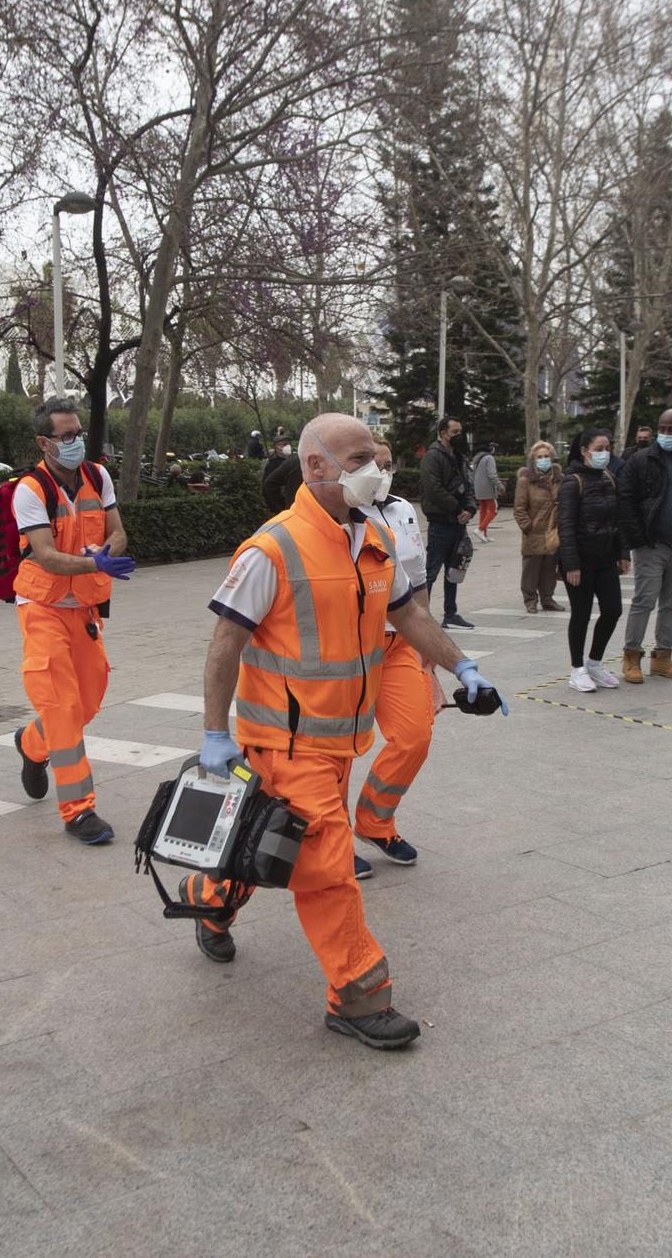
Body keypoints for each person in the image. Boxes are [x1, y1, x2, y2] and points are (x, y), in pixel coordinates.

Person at [189, 413, 502, 1050]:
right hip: (282, 742)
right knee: (327, 867)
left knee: (268, 842)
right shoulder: (271, 549)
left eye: (375, 459)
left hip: (338, 742)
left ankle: (209, 897)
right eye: (359, 459)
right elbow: (225, 646)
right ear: (316, 468)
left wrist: (461, 666)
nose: (376, 470)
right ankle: (357, 995)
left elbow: (408, 614)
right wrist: (213, 733)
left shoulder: (372, 539)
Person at [9, 397, 136, 847]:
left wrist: (108, 554)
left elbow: (117, 530)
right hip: (41, 607)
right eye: (66, 436)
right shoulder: (30, 489)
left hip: (82, 608)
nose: (76, 441)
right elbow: (44, 555)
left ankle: (31, 743)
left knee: (87, 702)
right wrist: (97, 566)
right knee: (62, 706)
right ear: (44, 442)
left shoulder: (97, 476)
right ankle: (79, 811)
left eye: (78, 433)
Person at [352, 438, 435, 877]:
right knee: (338, 749)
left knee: (415, 735)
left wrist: (431, 646)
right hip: (352, 647)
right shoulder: (340, 514)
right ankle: (328, 839)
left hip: (401, 640)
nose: (381, 474)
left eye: (387, 465)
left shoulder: (403, 510)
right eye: (371, 465)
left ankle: (375, 821)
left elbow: (417, 582)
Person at [616, 408, 672, 683]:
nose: (666, 434)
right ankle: (631, 656)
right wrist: (637, 540)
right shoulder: (642, 459)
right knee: (644, 601)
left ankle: (663, 657)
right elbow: (626, 501)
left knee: (671, 603)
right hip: (651, 544)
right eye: (663, 428)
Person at [558, 428, 629, 693]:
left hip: (606, 558)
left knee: (613, 610)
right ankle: (577, 669)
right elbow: (565, 525)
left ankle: (595, 663)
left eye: (608, 448)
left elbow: (618, 519)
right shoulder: (571, 481)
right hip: (580, 560)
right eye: (599, 449)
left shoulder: (610, 478)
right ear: (584, 451)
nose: (605, 453)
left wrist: (623, 553)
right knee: (581, 614)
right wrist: (571, 564)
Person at [418, 417, 476, 628]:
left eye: (461, 431)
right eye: (454, 432)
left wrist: (470, 509)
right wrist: (457, 508)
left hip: (458, 524)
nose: (459, 435)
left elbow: (468, 486)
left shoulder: (459, 457)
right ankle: (422, 616)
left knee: (455, 570)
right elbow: (434, 489)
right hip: (440, 523)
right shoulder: (432, 457)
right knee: (431, 571)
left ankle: (450, 614)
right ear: (443, 433)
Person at [515, 441, 563, 612]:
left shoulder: (559, 480)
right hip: (534, 533)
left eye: (546, 456)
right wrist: (528, 527)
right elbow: (519, 508)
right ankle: (530, 600)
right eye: (539, 457)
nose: (543, 459)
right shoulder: (525, 480)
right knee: (531, 570)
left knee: (550, 569)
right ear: (534, 460)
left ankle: (548, 599)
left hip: (553, 532)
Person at [260, 431, 299, 513]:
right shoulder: (272, 464)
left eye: (288, 444)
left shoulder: (293, 460)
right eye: (283, 444)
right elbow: (268, 486)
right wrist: (279, 506)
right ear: (276, 447)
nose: (287, 447)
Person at [470, 441, 501, 542]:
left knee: (483, 510)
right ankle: (480, 529)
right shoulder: (489, 458)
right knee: (493, 510)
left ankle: (484, 534)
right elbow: (492, 475)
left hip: (478, 488)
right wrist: (500, 486)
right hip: (488, 488)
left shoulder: (476, 459)